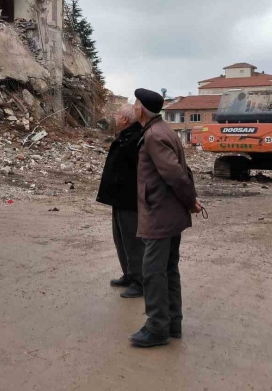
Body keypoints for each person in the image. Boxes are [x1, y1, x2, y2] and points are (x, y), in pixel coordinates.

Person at [129, 88, 201, 348]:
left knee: (153, 272)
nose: (133, 106)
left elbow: (174, 173)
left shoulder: (154, 135)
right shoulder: (162, 130)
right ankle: (172, 324)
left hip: (160, 213)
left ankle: (157, 327)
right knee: (168, 269)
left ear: (142, 109)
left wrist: (190, 200)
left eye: (135, 103)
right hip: (168, 212)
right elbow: (181, 170)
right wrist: (189, 200)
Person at [96, 104, 145, 299]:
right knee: (121, 239)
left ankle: (139, 282)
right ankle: (129, 275)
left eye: (117, 114)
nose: (115, 117)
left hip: (130, 200)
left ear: (125, 119)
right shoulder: (126, 136)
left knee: (133, 242)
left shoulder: (136, 138)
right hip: (119, 199)